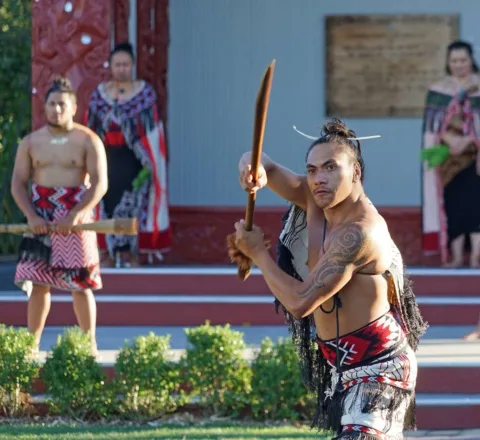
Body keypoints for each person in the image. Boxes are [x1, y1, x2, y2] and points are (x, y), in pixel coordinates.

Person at [230, 118, 428, 439]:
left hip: (381, 369)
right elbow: (259, 159)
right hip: (343, 368)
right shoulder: (315, 198)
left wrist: (257, 254)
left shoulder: (359, 233)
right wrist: (253, 169)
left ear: (356, 172)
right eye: (311, 170)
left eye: (330, 167)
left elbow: (299, 302)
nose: (319, 179)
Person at [11, 76, 108, 357]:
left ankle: (89, 345)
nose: (57, 110)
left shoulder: (88, 140)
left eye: (62, 104)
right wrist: (31, 215)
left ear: (74, 107)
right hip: (40, 215)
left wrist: (75, 215)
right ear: (45, 107)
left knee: (81, 284)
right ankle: (31, 346)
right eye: (52, 104)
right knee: (38, 283)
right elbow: (18, 183)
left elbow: (100, 183)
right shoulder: (31, 142)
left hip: (76, 217)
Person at [84, 42, 172, 268]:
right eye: (117, 64)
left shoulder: (145, 94)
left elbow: (153, 132)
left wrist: (149, 161)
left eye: (125, 64)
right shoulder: (100, 96)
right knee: (106, 204)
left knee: (134, 205)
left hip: (136, 161)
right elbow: (90, 131)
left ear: (132, 65)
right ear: (110, 66)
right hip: (107, 160)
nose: (121, 68)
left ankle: (132, 253)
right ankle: (107, 252)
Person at [421, 40, 480, 268]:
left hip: (475, 159)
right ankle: (455, 257)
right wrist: (448, 139)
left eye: (463, 60)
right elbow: (431, 127)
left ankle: (476, 256)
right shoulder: (438, 90)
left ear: (470, 60)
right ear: (448, 62)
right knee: (452, 205)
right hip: (447, 160)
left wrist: (470, 140)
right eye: (454, 61)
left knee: (476, 205)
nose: (458, 65)